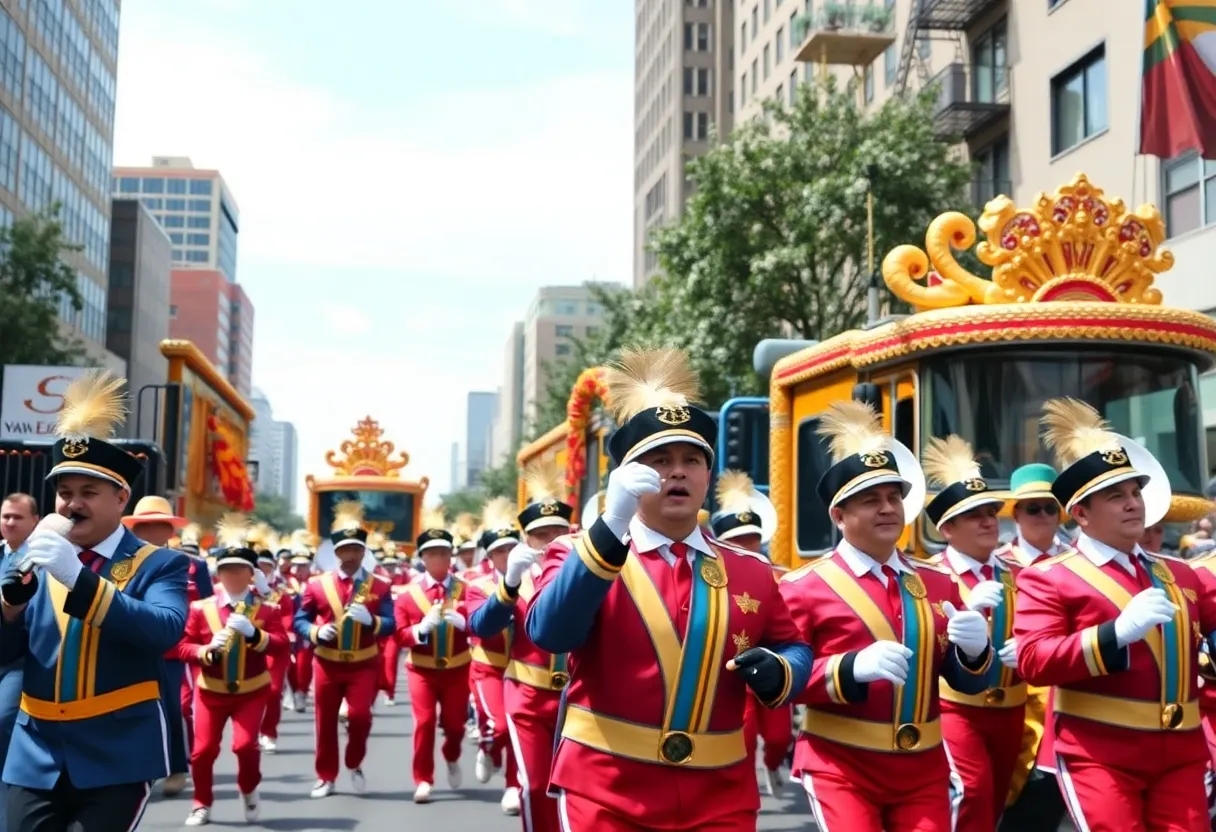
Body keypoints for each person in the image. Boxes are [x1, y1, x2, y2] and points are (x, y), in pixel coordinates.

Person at [527, 347, 813, 830]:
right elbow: (551, 632)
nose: (677, 471)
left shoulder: (751, 570)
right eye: (659, 461)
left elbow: (794, 647)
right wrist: (610, 525)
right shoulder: (579, 552)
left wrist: (782, 668)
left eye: (691, 459)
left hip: (720, 792)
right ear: (626, 477)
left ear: (707, 476)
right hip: (606, 787)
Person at [777, 401, 993, 832]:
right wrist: (849, 669)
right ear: (839, 516)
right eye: (870, 500)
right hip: (841, 765)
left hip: (923, 769)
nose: (887, 508)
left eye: (894, 497)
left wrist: (975, 652)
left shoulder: (937, 582)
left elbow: (966, 680)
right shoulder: (804, 587)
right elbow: (784, 682)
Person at [0, 371, 189, 831]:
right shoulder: (34, 557)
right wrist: (9, 607)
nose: (71, 505)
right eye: (64, 494)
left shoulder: (158, 564)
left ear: (121, 497)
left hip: (118, 750)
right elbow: (9, 654)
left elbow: (164, 629)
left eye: (88, 493)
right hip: (36, 748)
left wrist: (77, 577)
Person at [1015, 398, 1216, 830]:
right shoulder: (1048, 578)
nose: (1132, 504)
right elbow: (1033, 659)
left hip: (1181, 752)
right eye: (1115, 496)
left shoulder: (1181, 573)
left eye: (1134, 493)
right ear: (1082, 514)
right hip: (1100, 753)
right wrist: (1114, 634)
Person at [921, 436, 1024, 832]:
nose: (988, 522)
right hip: (955, 707)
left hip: (1012, 707)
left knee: (997, 800)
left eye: (991, 512)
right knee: (972, 791)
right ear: (947, 528)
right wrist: (965, 612)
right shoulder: (928, 576)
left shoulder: (1020, 572)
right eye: (974, 515)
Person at [467, 459, 574, 832]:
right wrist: (509, 584)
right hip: (528, 694)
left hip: (580, 698)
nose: (550, 542)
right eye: (541, 534)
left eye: (558, 532)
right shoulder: (513, 582)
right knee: (535, 785)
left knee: (578, 790)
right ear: (526, 540)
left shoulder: (590, 576)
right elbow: (481, 625)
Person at [172, 515, 287, 826]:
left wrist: (255, 635)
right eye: (226, 570)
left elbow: (281, 645)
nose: (232, 575)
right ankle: (201, 803)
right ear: (218, 575)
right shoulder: (201, 609)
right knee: (202, 751)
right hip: (211, 689)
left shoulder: (267, 609)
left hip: (251, 689)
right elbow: (182, 646)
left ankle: (249, 789)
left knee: (245, 745)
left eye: (239, 570)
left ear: (251, 575)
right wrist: (204, 651)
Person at [293, 501, 395, 799]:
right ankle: (325, 776)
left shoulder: (380, 585)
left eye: (355, 550)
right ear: (335, 553)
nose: (349, 556)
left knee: (361, 716)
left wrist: (373, 621)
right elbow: (300, 619)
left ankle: (354, 761)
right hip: (326, 663)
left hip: (364, 663)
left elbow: (391, 623)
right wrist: (315, 631)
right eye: (344, 550)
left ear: (364, 552)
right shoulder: (316, 585)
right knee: (324, 722)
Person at [995, 464, 1069, 832]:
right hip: (1014, 705)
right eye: (1032, 508)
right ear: (1016, 513)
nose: (1042, 515)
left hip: (1068, 704)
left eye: (1049, 507)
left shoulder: (1079, 563)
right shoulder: (995, 567)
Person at [710, 470, 792, 797]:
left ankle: (772, 765)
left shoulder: (779, 576)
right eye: (738, 540)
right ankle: (740, 795)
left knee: (779, 736)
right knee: (743, 737)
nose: (748, 545)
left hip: (770, 670)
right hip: (732, 675)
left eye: (752, 538)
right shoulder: (709, 577)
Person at [122, 495, 197, 798]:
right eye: (144, 526)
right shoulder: (122, 563)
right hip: (132, 646)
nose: (151, 532)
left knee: (171, 708)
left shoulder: (189, 565)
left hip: (172, 650)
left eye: (158, 526)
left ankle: (176, 766)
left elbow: (203, 604)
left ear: (170, 530)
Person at [394, 512, 472, 803]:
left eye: (443, 553)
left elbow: (479, 622)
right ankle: (424, 779)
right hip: (422, 670)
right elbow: (399, 635)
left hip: (458, 667)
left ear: (451, 557)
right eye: (432, 554)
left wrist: (464, 622)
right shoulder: (407, 594)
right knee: (424, 723)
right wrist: (419, 630)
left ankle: (451, 755)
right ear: (422, 558)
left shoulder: (466, 588)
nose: (438, 559)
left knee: (455, 725)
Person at [0, 493, 36, 831]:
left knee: (2, 722)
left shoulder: (39, 559)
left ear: (34, 521)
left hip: (19, 660)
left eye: (17, 517)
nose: (10, 523)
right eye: (6, 516)